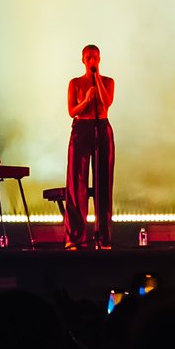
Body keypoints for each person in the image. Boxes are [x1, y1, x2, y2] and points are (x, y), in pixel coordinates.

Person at [65, 44, 115, 249]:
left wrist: (98, 82)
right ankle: (74, 238)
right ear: (82, 60)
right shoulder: (75, 83)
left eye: (95, 57)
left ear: (100, 59)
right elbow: (71, 111)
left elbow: (107, 103)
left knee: (103, 183)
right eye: (88, 57)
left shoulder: (108, 81)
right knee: (77, 185)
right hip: (81, 129)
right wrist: (86, 100)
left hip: (102, 127)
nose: (92, 60)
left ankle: (103, 238)